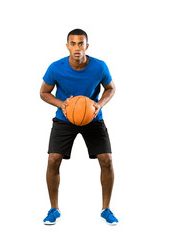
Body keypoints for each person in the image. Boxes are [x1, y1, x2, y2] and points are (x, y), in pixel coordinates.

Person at [40, 29, 118, 225]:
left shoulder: (99, 67)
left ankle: (106, 209)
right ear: (67, 46)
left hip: (92, 118)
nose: (77, 48)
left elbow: (111, 88)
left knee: (106, 159)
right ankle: (53, 209)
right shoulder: (56, 68)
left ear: (87, 46)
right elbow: (43, 92)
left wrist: (98, 105)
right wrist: (63, 105)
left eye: (81, 43)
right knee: (53, 160)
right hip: (65, 119)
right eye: (73, 43)